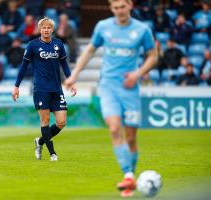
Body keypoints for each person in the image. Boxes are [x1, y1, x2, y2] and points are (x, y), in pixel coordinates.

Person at [65, 0, 158, 197]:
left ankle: (130, 177)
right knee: (115, 128)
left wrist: (137, 74)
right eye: (115, 8)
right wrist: (74, 74)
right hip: (107, 86)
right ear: (111, 9)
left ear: (130, 5)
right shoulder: (103, 27)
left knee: (131, 137)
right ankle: (129, 175)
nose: (119, 11)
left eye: (122, 7)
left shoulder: (142, 30)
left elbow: (153, 56)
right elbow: (90, 49)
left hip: (129, 88)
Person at [12, 17, 77, 162]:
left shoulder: (58, 44)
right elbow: (23, 67)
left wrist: (70, 81)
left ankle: (40, 142)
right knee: (45, 120)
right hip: (41, 88)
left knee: (61, 122)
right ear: (40, 29)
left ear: (52, 30)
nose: (46, 30)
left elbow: (64, 64)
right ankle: (53, 153)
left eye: (49, 28)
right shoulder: (33, 45)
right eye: (44, 28)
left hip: (56, 88)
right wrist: (16, 86)